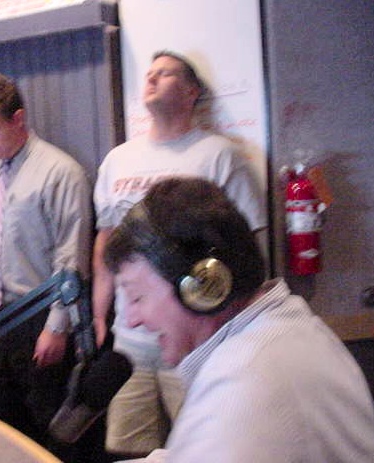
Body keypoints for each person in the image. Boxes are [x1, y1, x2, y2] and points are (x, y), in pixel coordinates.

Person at [104, 177, 374, 462]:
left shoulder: (242, 379)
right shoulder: (286, 329)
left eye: (137, 297)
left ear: (203, 286)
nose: (132, 320)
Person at [92, 50, 267, 457]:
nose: (151, 79)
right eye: (149, 73)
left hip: (197, 340)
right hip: (129, 340)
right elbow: (105, 244)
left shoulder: (219, 155)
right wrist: (100, 313)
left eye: (165, 73)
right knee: (125, 448)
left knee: (203, 448)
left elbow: (247, 248)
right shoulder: (118, 160)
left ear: (191, 92)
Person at [0, 74, 93, 454]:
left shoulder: (60, 172)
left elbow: (71, 255)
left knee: (47, 429)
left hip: (38, 319)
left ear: (18, 119)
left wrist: (57, 326)